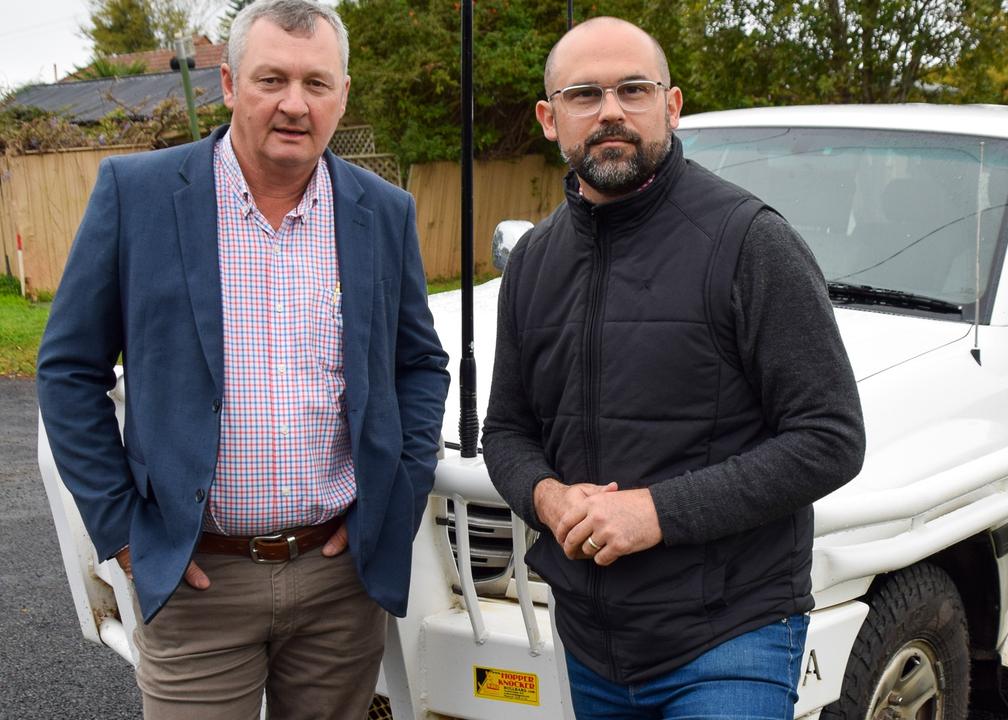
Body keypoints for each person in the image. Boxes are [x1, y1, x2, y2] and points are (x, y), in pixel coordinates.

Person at [36, 1, 450, 717]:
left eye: (317, 83)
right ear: (229, 83)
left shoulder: (383, 212)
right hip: (198, 579)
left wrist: (398, 497)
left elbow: (419, 366)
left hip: (338, 581)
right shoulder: (137, 197)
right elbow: (69, 371)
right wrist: (126, 534)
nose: (295, 104)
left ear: (342, 95)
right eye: (272, 79)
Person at [482, 16, 865, 720]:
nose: (611, 113)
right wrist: (546, 497)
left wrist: (654, 513)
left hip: (730, 632)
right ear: (548, 117)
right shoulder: (534, 261)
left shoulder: (750, 241)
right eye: (584, 95)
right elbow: (505, 431)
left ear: (672, 104)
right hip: (592, 640)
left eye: (634, 89)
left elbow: (830, 437)